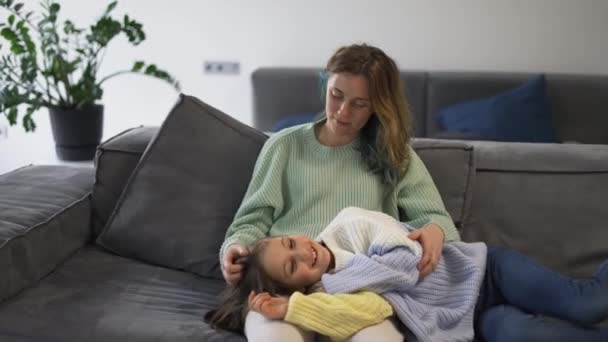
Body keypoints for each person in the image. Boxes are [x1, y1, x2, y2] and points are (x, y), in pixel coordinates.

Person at [220, 43, 457, 342]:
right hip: (285, 283)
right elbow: (250, 221)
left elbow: (441, 224)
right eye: (336, 95)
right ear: (325, 84)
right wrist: (236, 246)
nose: (343, 112)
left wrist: (435, 231)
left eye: (360, 103)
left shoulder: (396, 156)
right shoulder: (283, 146)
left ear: (378, 106)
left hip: (358, 291)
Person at [210, 207, 608, 342]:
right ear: (293, 285)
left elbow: (405, 264)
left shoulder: (350, 225)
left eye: (291, 242)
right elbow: (366, 312)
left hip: (486, 272)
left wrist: (332, 281)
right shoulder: (324, 296)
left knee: (588, 302)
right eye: (292, 266)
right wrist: (292, 309)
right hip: (473, 321)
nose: (303, 250)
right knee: (526, 335)